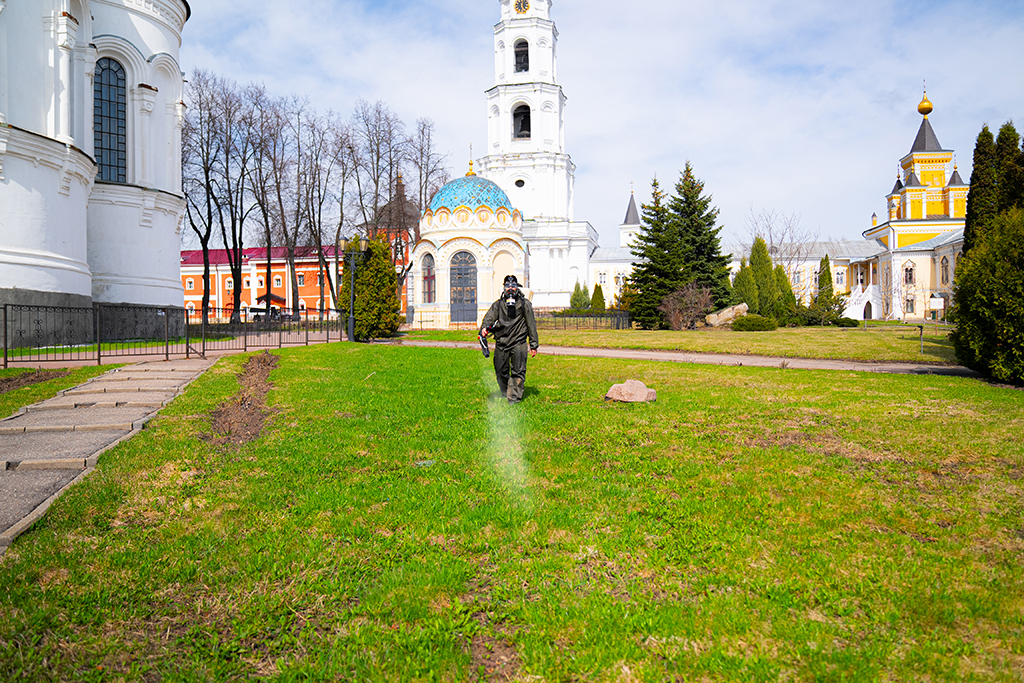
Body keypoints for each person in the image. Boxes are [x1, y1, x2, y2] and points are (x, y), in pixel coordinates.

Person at [479, 275, 539, 404]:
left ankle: (514, 398)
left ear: (517, 287)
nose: (510, 288)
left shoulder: (524, 304)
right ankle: (506, 392)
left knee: (518, 370)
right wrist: (484, 328)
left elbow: (531, 325)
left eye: (513, 285)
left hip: (519, 342)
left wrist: (533, 345)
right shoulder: (498, 304)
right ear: (504, 287)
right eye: (507, 286)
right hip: (502, 342)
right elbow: (489, 318)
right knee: (500, 369)